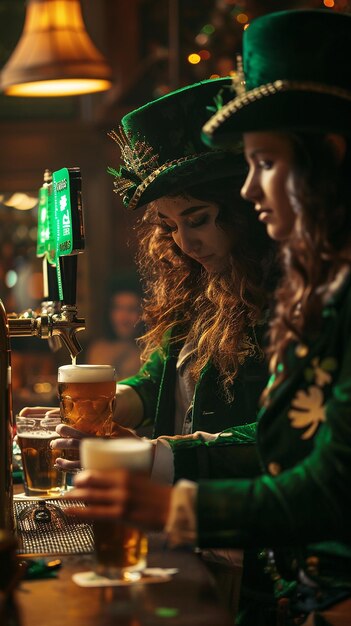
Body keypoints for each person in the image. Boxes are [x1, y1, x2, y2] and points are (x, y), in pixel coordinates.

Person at [67, 10, 351, 626]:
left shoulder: (305, 292)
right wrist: (113, 404)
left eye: (265, 164)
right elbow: (166, 380)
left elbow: (322, 483)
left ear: (328, 157)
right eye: (171, 227)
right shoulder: (252, 286)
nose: (252, 190)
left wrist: (165, 482)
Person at [21, 78, 274, 616]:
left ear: (243, 205)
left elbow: (285, 438)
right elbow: (160, 377)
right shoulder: (201, 284)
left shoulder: (287, 297)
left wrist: (150, 456)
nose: (185, 242)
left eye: (199, 219)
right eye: (170, 225)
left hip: (257, 550)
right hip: (193, 537)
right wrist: (103, 409)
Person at [86, 275, 143, 380]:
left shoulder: (151, 351)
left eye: (131, 309)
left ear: (143, 314)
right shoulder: (98, 349)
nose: (123, 318)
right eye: (118, 308)